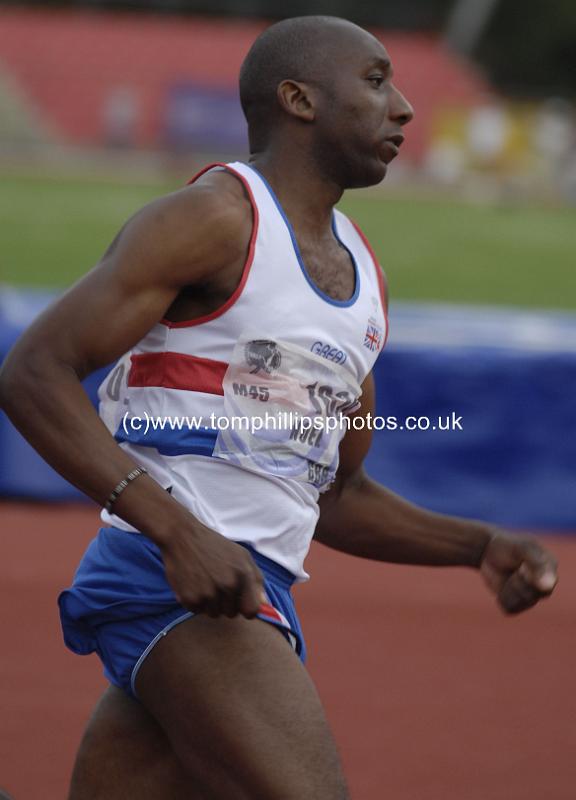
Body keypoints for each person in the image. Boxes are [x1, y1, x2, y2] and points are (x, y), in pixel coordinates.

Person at [0, 16, 557, 800]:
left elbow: (336, 492)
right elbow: (35, 372)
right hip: (166, 580)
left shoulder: (364, 278)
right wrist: (178, 533)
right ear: (299, 99)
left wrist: (478, 545)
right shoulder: (214, 220)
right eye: (375, 81)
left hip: (239, 587)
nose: (403, 106)